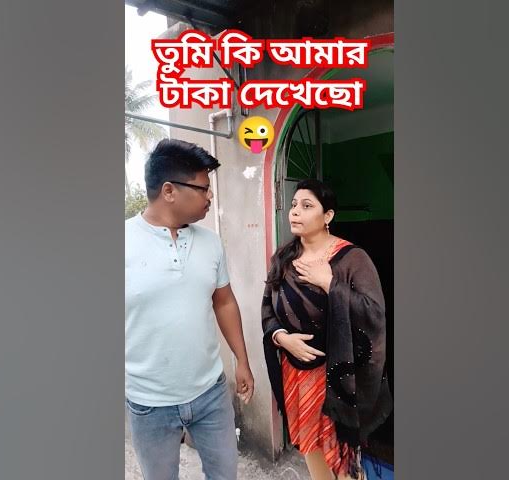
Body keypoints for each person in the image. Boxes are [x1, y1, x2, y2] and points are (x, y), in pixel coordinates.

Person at [126, 139, 254, 480]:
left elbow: (224, 301)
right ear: (169, 190)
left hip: (211, 394)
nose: (209, 197)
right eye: (203, 189)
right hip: (149, 403)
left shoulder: (211, 242)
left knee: (225, 475)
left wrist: (242, 360)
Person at [262, 179, 392, 480]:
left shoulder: (352, 259)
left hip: (337, 381)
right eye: (294, 205)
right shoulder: (283, 257)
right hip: (296, 375)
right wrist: (281, 338)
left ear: (328, 216)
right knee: (310, 447)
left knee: (341, 458)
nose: (296, 211)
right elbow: (268, 307)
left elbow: (374, 314)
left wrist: (329, 283)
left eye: (307, 206)